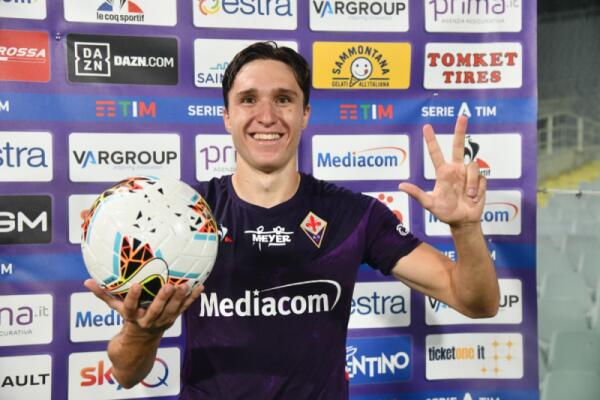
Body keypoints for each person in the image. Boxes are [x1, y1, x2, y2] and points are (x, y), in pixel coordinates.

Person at [85, 42, 499, 399]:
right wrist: (142, 332)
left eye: (283, 99)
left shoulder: (353, 215)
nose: (267, 116)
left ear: (305, 114)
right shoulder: (184, 218)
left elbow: (476, 302)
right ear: (227, 116)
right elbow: (126, 373)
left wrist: (465, 228)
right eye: (248, 99)